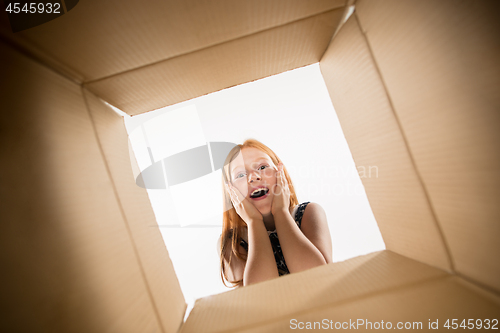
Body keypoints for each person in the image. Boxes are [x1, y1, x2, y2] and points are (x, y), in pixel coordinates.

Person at [218, 139, 332, 287]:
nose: (254, 177)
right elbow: (260, 297)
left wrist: (281, 212)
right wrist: (254, 222)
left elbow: (318, 278)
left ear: (280, 173)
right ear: (231, 192)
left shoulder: (309, 213)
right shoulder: (231, 242)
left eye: (262, 166)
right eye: (240, 175)